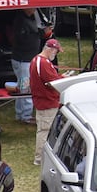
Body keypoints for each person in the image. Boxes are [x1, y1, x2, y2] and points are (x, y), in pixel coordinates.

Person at [10, 9, 47, 124]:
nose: (35, 9)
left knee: (22, 86)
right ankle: (26, 115)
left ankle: (20, 114)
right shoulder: (20, 20)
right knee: (26, 87)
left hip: (26, 58)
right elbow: (21, 38)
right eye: (33, 7)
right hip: (23, 59)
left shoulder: (33, 17)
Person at [31, 36, 63, 166]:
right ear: (50, 49)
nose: (55, 54)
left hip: (45, 100)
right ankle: (39, 159)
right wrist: (62, 80)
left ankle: (43, 157)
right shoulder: (43, 63)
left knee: (45, 130)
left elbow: (51, 79)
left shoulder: (38, 61)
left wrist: (61, 77)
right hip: (47, 101)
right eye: (56, 52)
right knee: (44, 131)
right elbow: (52, 82)